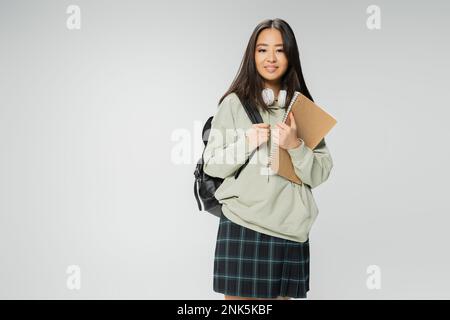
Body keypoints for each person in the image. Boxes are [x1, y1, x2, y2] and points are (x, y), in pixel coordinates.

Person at [203, 18, 333, 300]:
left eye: (279, 50)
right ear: (252, 55)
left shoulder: (302, 109)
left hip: (290, 228)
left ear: (290, 55)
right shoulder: (234, 103)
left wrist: (295, 145)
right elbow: (212, 163)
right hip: (243, 223)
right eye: (262, 50)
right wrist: (248, 141)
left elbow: (320, 173)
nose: (270, 58)